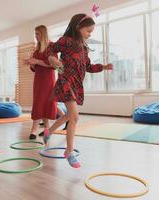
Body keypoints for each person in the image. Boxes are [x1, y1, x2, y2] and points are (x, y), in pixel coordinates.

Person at [44, 13, 113, 168]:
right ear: (78, 27)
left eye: (91, 32)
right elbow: (50, 49)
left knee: (70, 115)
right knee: (75, 117)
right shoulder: (66, 41)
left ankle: (49, 132)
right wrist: (52, 59)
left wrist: (103, 67)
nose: (89, 35)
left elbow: (88, 67)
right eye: (88, 31)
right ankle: (69, 151)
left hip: (76, 85)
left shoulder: (84, 49)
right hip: (65, 81)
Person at [23, 25, 57, 140]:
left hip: (48, 79)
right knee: (39, 102)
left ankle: (38, 130)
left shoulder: (51, 47)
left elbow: (53, 65)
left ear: (43, 34)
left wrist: (37, 61)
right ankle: (43, 129)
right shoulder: (37, 49)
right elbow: (35, 68)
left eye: (38, 34)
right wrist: (31, 64)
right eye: (35, 34)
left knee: (45, 102)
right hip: (38, 79)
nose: (36, 36)